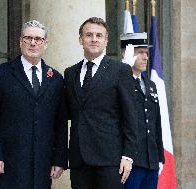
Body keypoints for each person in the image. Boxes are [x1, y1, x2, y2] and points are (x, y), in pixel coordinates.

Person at [0, 20, 67, 189]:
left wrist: (59, 159)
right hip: (7, 163)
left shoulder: (56, 79)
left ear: (45, 44)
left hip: (41, 166)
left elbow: (60, 123)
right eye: (28, 38)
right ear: (20, 42)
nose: (33, 43)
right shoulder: (1, 74)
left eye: (38, 39)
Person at [64, 17, 138, 189]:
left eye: (99, 35)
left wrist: (128, 156)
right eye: (89, 35)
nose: (94, 39)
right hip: (79, 160)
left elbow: (131, 117)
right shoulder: (70, 73)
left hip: (110, 161)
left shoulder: (120, 71)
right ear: (80, 39)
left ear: (106, 40)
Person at [120, 32, 165, 189]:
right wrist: (124, 70)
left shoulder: (150, 85)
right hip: (130, 160)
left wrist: (159, 156)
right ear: (128, 53)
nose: (146, 57)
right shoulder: (120, 82)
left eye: (146, 53)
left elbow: (155, 122)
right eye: (140, 53)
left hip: (150, 160)